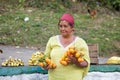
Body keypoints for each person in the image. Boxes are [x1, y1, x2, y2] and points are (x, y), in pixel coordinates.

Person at [44, 13, 90, 80]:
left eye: (65, 26)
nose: (62, 29)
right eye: (60, 26)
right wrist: (45, 65)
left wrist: (76, 61)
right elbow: (46, 58)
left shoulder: (80, 42)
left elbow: (86, 63)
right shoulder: (52, 40)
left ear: (72, 27)